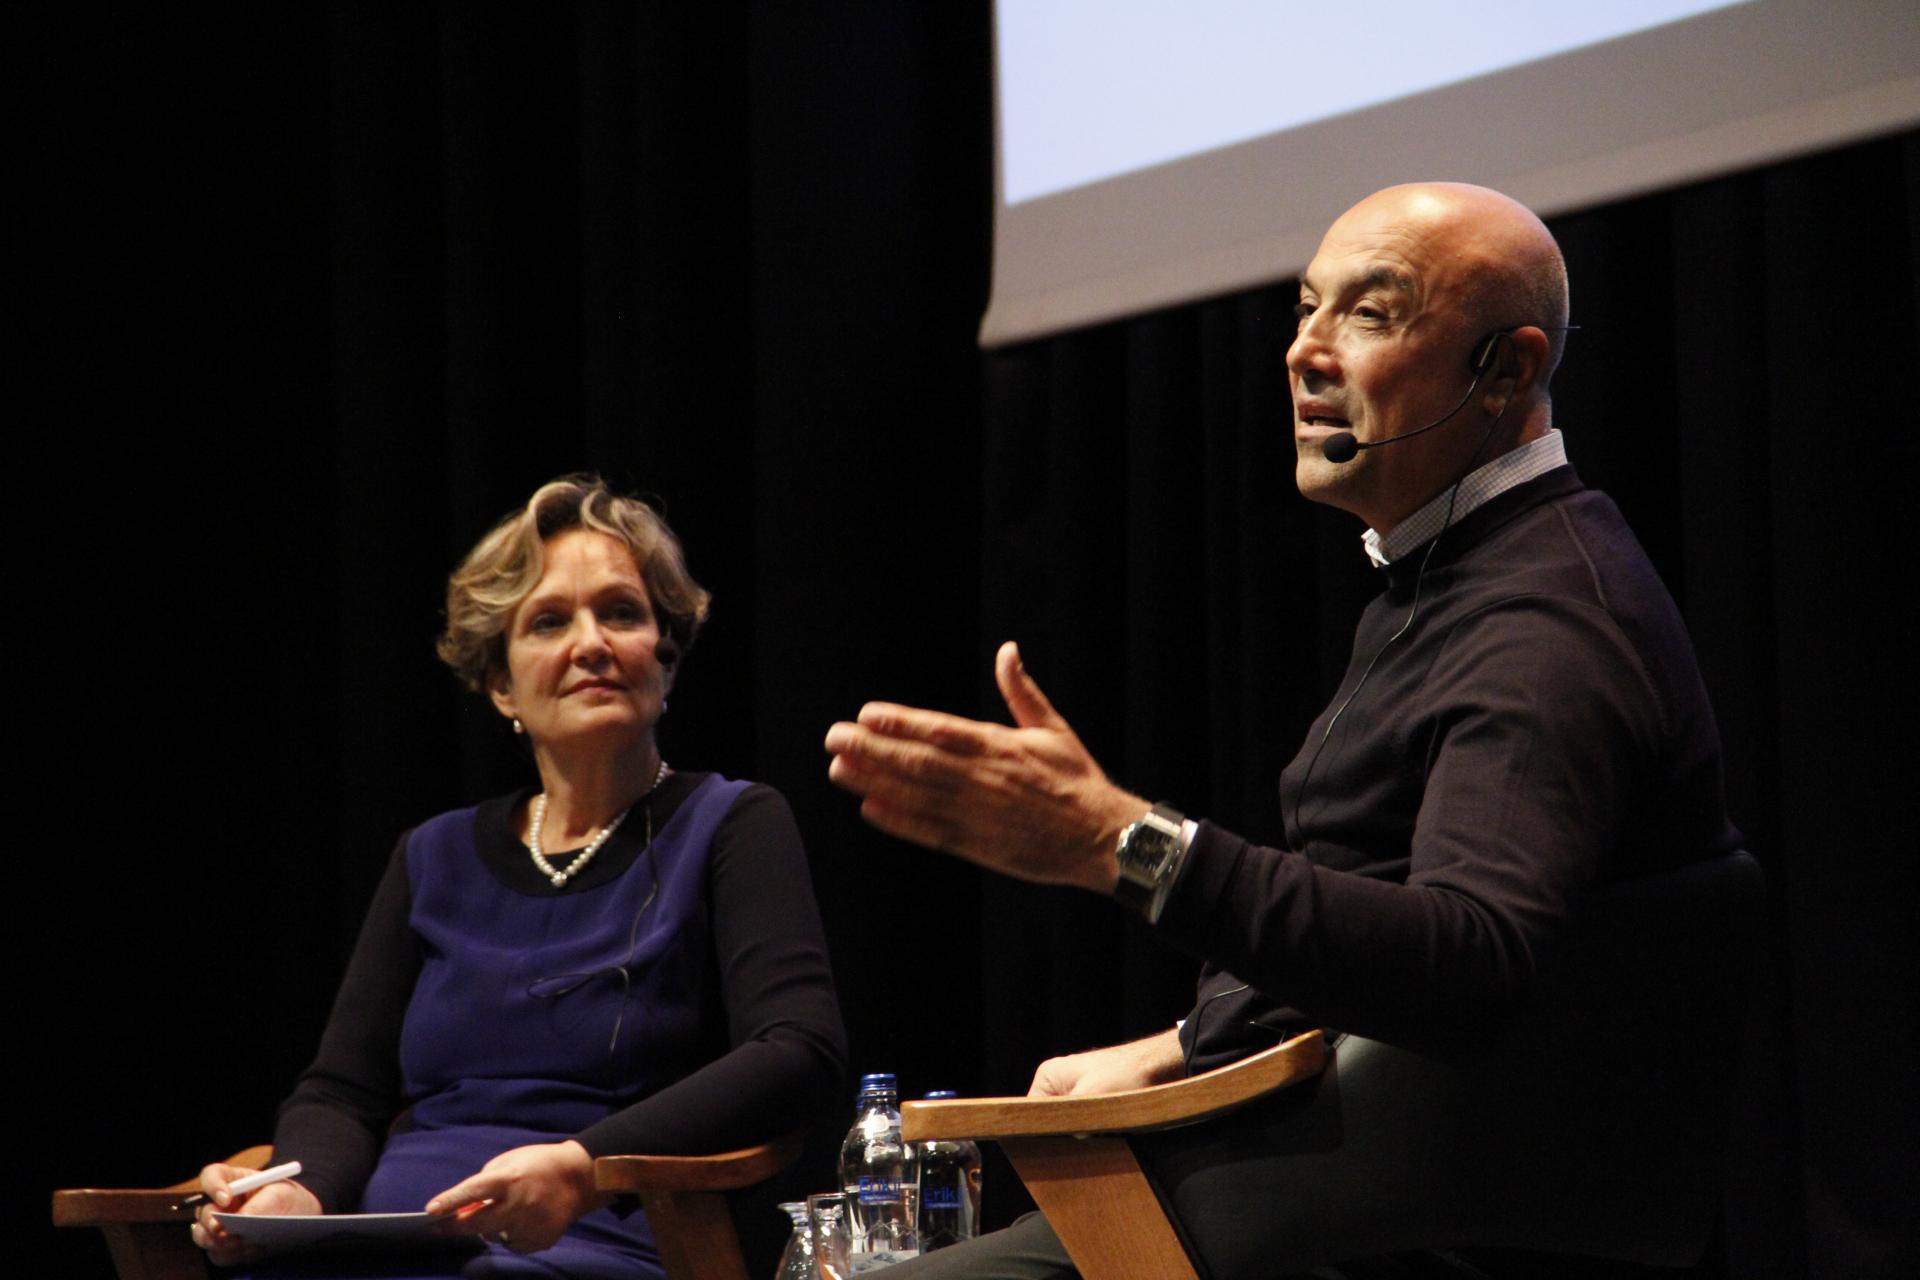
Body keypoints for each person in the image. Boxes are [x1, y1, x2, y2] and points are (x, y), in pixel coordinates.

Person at [824, 183, 1739, 1276]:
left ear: (1506, 369)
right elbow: (1370, 900)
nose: (1305, 351)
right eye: (1307, 308)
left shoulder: (1546, 623)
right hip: (1324, 1180)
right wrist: (1183, 1045)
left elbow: (1469, 961)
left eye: (1370, 313)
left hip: (1397, 1227)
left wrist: (1127, 843)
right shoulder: (1451, 572)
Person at [193, 476, 846, 1278]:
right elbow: (342, 1091)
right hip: (391, 1238)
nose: (591, 644)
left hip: (597, 1233)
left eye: (621, 613)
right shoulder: (432, 854)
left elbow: (797, 1052)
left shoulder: (732, 823)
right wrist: (301, 1193)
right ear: (501, 684)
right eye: (549, 621)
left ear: (665, 659)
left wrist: (581, 1167)